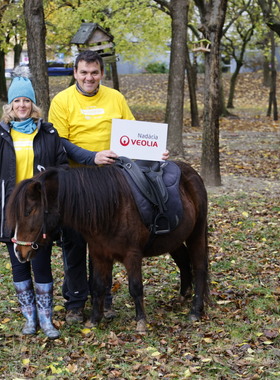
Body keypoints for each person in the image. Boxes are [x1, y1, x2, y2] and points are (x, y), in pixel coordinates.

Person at [48, 50, 168, 324]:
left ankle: (105, 300)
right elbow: (61, 142)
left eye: (94, 73)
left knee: (108, 242)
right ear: (75, 73)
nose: (89, 78)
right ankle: (76, 302)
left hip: (113, 183)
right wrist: (91, 157)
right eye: (83, 73)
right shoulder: (62, 100)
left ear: (101, 73)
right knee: (76, 244)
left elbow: (135, 133)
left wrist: (155, 151)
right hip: (78, 184)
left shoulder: (115, 97)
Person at [0, 66, 68, 338]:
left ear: (33, 104)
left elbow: (62, 169)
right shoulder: (2, 134)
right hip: (12, 210)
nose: (22, 105)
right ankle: (29, 317)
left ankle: (46, 319)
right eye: (17, 100)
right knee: (19, 262)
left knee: (41, 262)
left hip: (39, 211)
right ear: (10, 105)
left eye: (27, 100)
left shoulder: (48, 133)